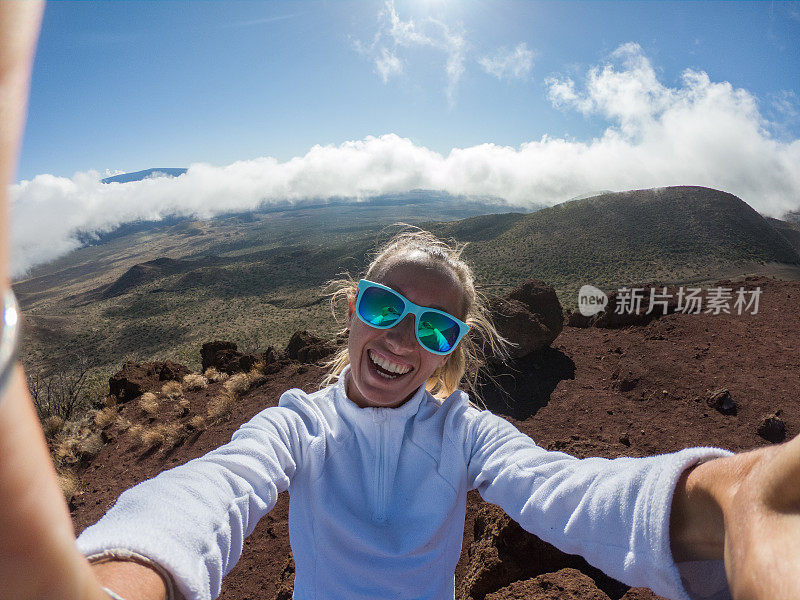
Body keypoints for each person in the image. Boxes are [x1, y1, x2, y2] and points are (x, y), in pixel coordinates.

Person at [1, 4, 799, 600]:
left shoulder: (465, 433)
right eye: (384, 307)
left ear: (451, 348)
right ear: (351, 308)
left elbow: (569, 490)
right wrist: (120, 575)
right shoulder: (297, 425)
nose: (401, 337)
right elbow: (211, 491)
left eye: (434, 326)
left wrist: (727, 501)